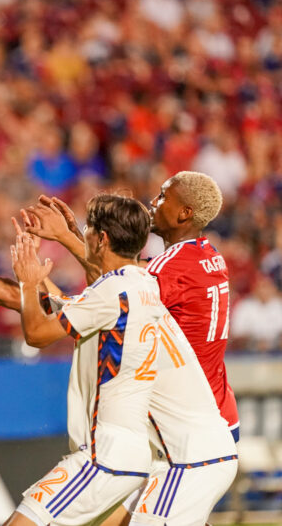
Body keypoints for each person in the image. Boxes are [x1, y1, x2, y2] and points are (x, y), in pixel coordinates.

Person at [0, 193, 237, 525]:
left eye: (87, 228)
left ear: (102, 239)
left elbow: (35, 331)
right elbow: (38, 298)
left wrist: (30, 278)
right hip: (144, 453)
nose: (84, 233)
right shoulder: (141, 287)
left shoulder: (112, 295)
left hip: (122, 454)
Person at [25, 171, 240, 441]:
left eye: (163, 197)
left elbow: (117, 278)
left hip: (190, 417)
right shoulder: (207, 255)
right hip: (218, 406)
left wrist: (65, 237)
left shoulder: (171, 266)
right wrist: (81, 235)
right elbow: (118, 273)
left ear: (184, 213)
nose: (153, 201)